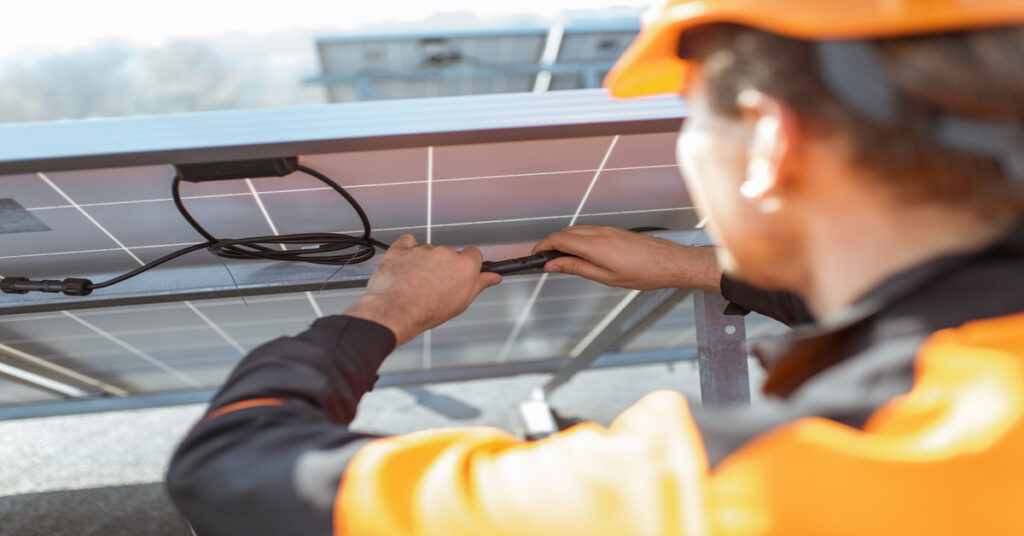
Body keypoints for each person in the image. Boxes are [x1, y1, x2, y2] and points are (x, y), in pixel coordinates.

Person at [166, 1, 1024, 534]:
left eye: (691, 115)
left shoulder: (727, 495)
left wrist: (381, 314)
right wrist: (693, 267)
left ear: (770, 139)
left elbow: (235, 470)